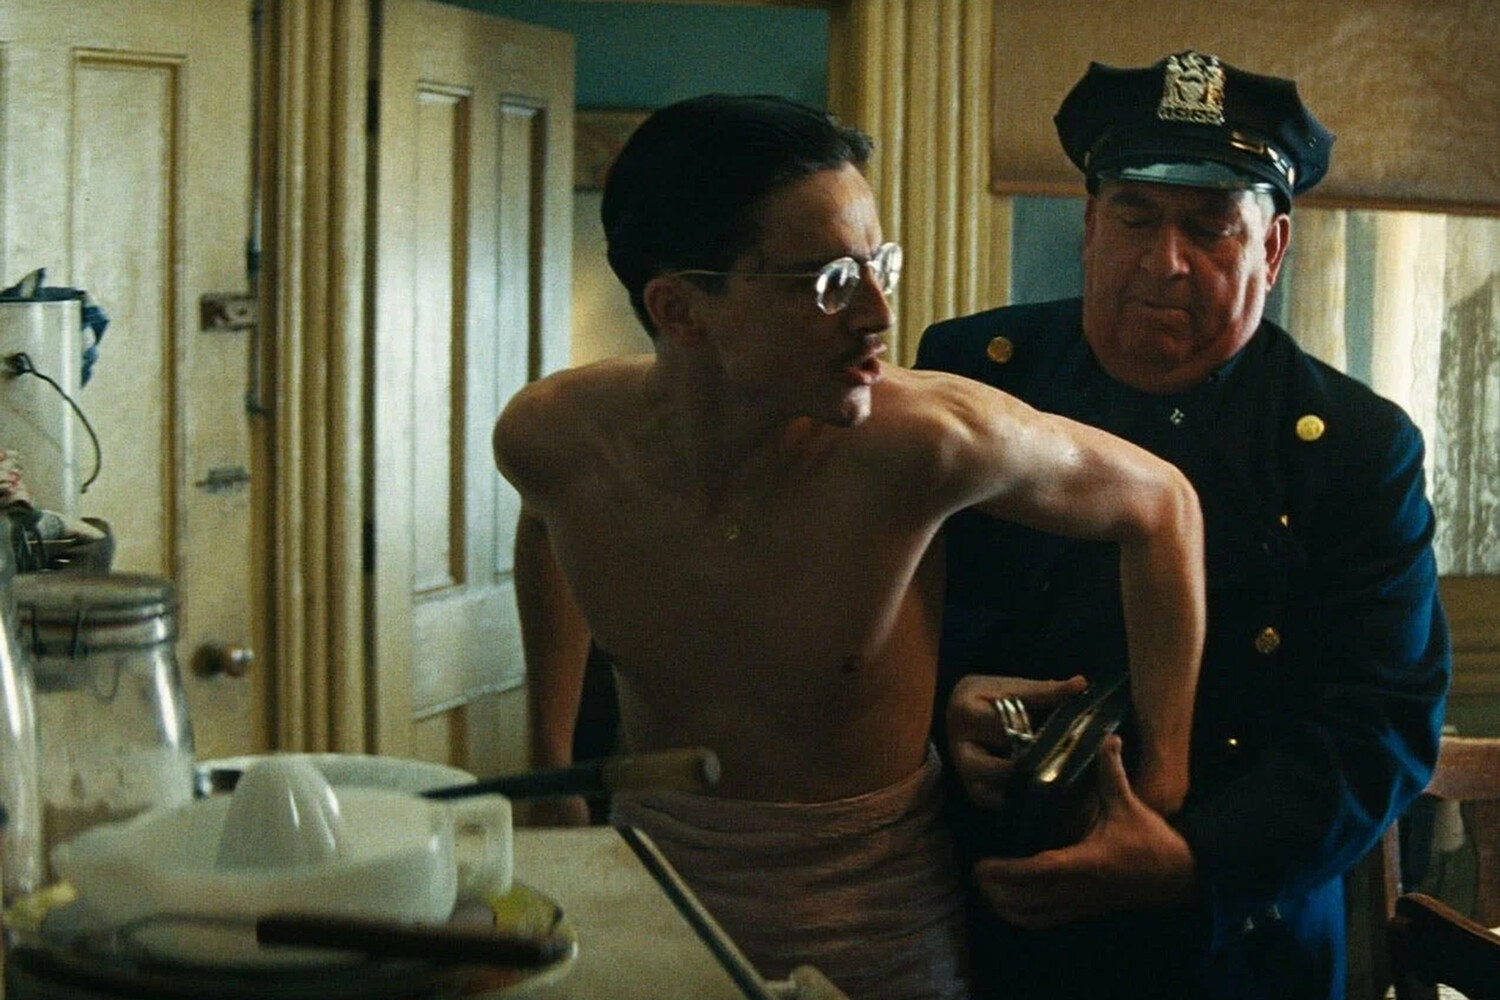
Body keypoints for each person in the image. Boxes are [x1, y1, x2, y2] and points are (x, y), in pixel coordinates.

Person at [494, 93, 1207, 1000]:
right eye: (831, 280)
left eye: (880, 265)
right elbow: (548, 522)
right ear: (680, 309)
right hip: (650, 880)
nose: (878, 313)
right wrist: (553, 759)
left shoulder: (926, 444)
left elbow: (1164, 505)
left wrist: (1163, 784)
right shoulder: (555, 438)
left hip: (872, 913)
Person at [916, 52, 1452, 1000]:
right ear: (1090, 225)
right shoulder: (974, 378)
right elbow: (873, 622)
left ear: (1272, 250)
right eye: (1135, 218)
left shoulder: (1354, 448)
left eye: (1210, 228)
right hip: (982, 919)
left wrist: (1193, 860)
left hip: (1237, 939)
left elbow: (1383, 722)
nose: (1165, 262)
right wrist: (941, 709)